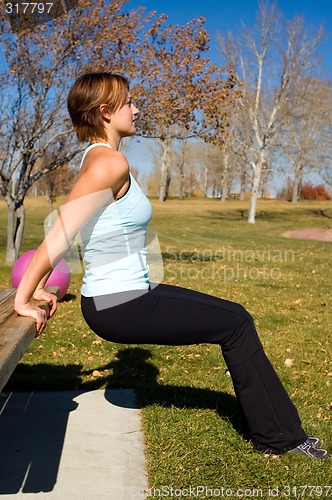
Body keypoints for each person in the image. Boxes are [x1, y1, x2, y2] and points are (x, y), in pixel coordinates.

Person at [14, 72, 328, 460]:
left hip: (127, 296)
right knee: (236, 323)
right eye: (129, 102)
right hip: (119, 303)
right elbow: (62, 229)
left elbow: (71, 227)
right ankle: (280, 438)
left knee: (234, 320)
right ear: (106, 111)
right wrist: (23, 297)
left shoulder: (101, 159)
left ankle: (278, 433)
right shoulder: (106, 163)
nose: (136, 108)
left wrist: (40, 283)